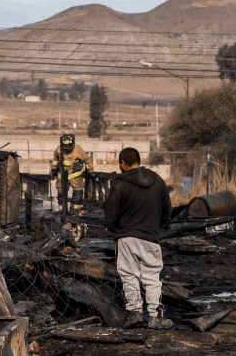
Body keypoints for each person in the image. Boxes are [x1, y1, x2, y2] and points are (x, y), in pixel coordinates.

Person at [103, 147, 173, 329]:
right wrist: (160, 227)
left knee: (129, 275)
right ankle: (155, 317)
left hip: (127, 238)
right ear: (138, 161)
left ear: (122, 163)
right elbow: (167, 209)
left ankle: (134, 314)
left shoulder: (119, 183)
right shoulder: (157, 181)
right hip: (150, 237)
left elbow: (111, 211)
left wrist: (113, 227)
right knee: (151, 277)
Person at [50, 133, 93, 208]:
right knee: (61, 193)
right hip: (62, 175)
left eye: (68, 145)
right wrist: (54, 169)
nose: (67, 147)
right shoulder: (59, 149)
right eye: (65, 145)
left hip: (75, 176)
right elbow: (55, 159)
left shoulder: (78, 149)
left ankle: (75, 211)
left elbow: (87, 159)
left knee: (78, 193)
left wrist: (90, 171)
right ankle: (62, 211)